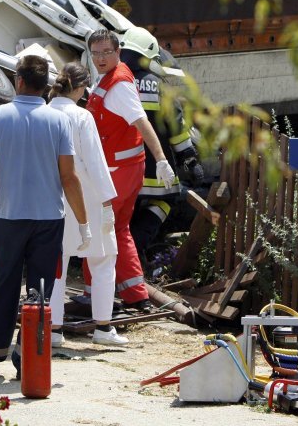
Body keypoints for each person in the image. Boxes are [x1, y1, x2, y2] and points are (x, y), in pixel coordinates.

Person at [0, 54, 90, 378]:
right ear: (44, 84)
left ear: (19, 80)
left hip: (10, 217)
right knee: (41, 290)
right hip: (49, 219)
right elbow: (69, 177)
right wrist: (83, 220)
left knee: (3, 285)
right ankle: (29, 362)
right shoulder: (58, 121)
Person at [83, 29, 175, 311]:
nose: (100, 58)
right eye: (96, 53)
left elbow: (141, 121)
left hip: (116, 171)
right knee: (118, 229)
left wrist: (160, 158)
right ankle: (136, 295)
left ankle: (95, 295)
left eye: (106, 52)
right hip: (123, 168)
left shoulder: (119, 84)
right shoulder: (113, 77)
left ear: (118, 52)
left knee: (99, 230)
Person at [48, 63, 128, 346]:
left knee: (55, 264)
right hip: (87, 195)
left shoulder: (43, 114)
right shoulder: (82, 116)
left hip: (51, 197)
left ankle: (54, 330)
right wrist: (108, 198)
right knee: (104, 259)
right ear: (82, 88)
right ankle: (104, 328)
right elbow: (95, 161)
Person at [120, 27, 203, 271]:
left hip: (119, 172)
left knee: (123, 217)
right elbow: (176, 128)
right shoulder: (159, 87)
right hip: (156, 171)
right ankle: (134, 251)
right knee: (165, 203)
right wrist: (189, 159)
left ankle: (126, 257)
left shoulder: (109, 82)